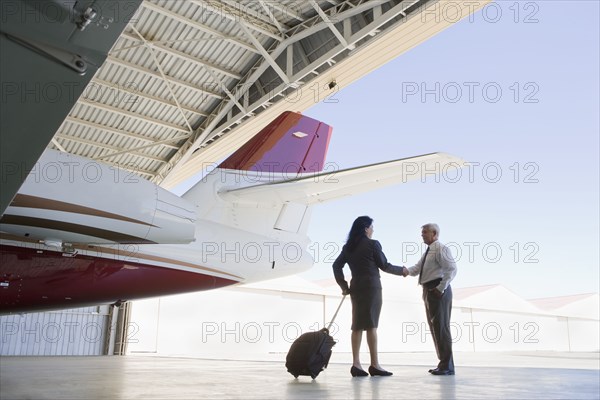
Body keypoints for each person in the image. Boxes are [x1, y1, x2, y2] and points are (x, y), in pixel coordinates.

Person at [332, 216, 404, 377]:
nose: (373, 230)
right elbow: (384, 265)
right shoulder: (373, 244)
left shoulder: (348, 247)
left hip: (356, 287)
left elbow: (336, 265)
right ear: (366, 228)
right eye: (371, 227)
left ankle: (356, 364)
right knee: (371, 324)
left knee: (357, 325)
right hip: (371, 287)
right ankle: (375, 365)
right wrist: (403, 271)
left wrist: (344, 286)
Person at [402, 223, 457, 375]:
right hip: (428, 290)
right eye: (422, 232)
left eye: (425, 232)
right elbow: (417, 268)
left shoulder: (440, 248)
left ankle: (447, 366)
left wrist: (440, 288)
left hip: (437, 289)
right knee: (435, 328)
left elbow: (452, 269)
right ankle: (443, 364)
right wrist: (404, 271)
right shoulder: (429, 251)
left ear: (435, 234)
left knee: (441, 328)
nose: (422, 235)